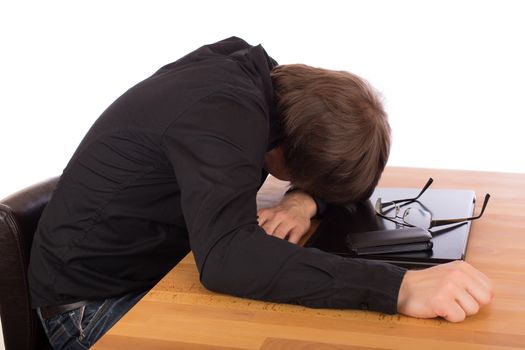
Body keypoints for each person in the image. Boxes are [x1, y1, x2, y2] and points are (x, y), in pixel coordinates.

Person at [28, 36, 493, 349]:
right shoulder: (221, 117)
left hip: (158, 272)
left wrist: (303, 199)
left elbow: (342, 181)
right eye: (303, 179)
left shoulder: (259, 82)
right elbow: (227, 259)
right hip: (91, 310)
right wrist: (400, 286)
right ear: (286, 157)